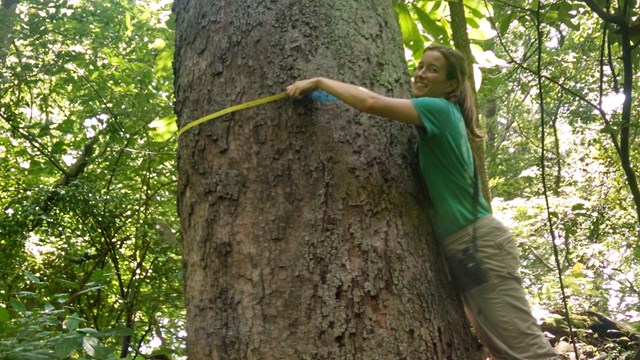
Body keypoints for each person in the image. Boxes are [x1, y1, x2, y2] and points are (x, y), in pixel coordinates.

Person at [286, 44, 560, 360]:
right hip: (465, 247)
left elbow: (371, 102)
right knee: (499, 346)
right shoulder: (438, 116)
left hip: (479, 245)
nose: (420, 73)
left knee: (526, 350)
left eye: (432, 69)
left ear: (451, 85)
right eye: (419, 65)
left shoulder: (440, 109)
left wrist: (319, 81)